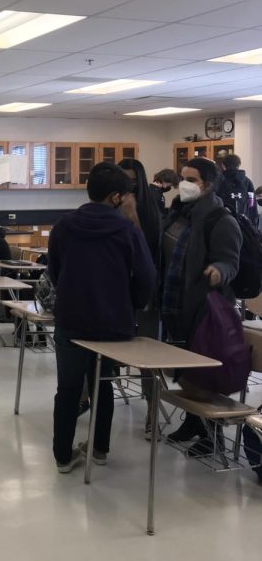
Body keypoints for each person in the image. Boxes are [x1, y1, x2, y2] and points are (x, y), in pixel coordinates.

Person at [48, 163, 155, 473]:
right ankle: (99, 450)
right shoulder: (127, 230)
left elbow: (54, 270)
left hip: (71, 319)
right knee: (103, 384)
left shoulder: (64, 226)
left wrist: (69, 292)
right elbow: (147, 276)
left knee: (67, 389)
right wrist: (130, 302)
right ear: (116, 197)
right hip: (112, 322)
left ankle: (63, 457)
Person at [162, 157, 242, 451]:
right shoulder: (180, 214)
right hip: (176, 304)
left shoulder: (220, 219)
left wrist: (218, 270)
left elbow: (230, 260)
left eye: (191, 179)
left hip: (204, 309)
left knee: (205, 375)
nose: (184, 184)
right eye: (182, 177)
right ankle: (192, 422)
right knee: (185, 372)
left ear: (207, 184)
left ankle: (213, 437)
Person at [118, 157, 163, 438]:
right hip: (116, 291)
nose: (129, 184)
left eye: (133, 179)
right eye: (124, 179)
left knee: (148, 355)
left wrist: (132, 216)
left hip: (144, 290)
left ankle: (152, 410)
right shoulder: (109, 207)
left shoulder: (150, 209)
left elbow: (149, 252)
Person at [216, 154, 259, 227]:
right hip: (244, 224)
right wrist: (253, 225)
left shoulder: (218, 181)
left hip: (222, 223)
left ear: (223, 165)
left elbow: (215, 202)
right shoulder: (247, 182)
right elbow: (251, 205)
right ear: (238, 165)